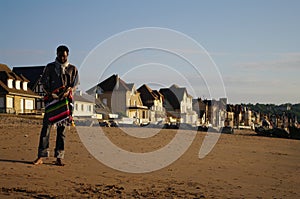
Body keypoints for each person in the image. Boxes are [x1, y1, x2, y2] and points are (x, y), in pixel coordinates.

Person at [33, 45, 79, 166]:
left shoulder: (73, 69)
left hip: (65, 103)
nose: (62, 58)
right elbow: (43, 83)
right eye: (60, 55)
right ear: (56, 55)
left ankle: (59, 157)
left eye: (64, 56)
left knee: (62, 131)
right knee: (46, 129)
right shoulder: (50, 67)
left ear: (67, 55)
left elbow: (75, 84)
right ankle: (41, 156)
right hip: (52, 102)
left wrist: (69, 90)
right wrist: (50, 93)